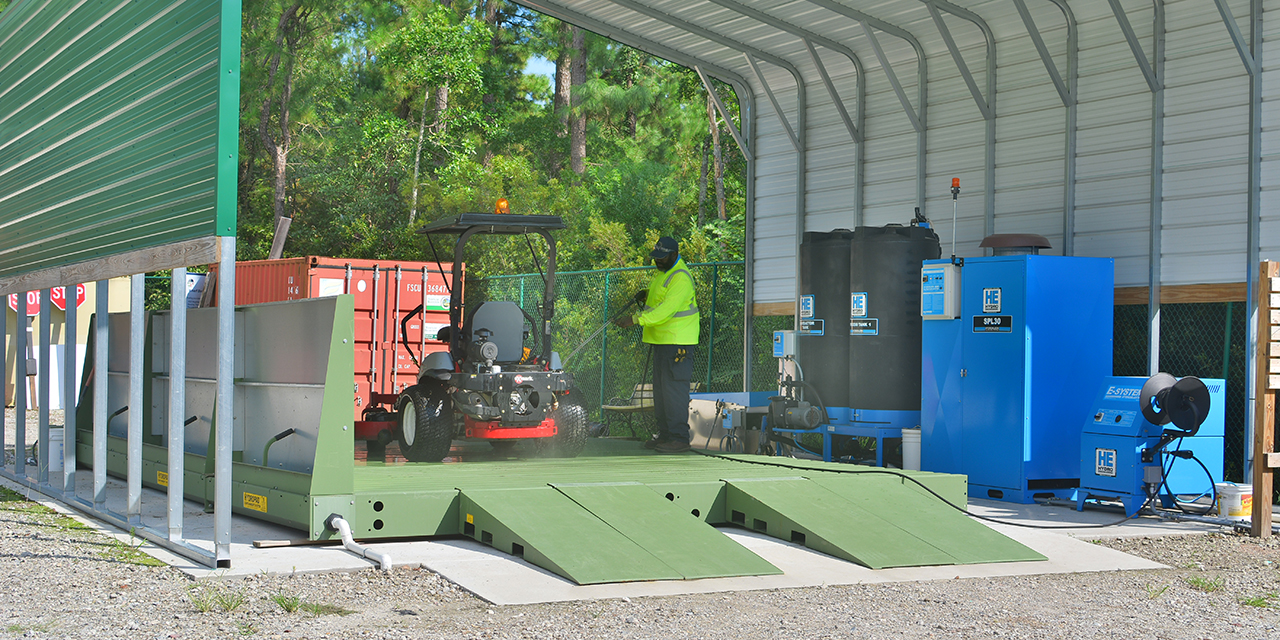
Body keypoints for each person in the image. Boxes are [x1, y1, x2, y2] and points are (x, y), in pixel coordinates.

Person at [614, 236, 700, 453]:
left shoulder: (680, 278)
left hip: (677, 342)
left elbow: (665, 311)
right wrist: (647, 294)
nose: (658, 261)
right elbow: (659, 300)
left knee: (674, 392)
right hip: (663, 341)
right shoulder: (664, 274)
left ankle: (679, 438)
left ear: (674, 255)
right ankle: (665, 434)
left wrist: (634, 319)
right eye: (656, 257)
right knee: (662, 391)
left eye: (662, 258)